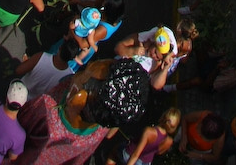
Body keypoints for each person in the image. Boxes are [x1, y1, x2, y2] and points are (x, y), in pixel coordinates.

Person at [14, 59, 149, 165]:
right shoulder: (100, 129)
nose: (89, 64)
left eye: (85, 71)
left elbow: (17, 123)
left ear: (78, 97)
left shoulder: (46, 108)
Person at [107, 107, 180, 165]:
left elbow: (136, 154)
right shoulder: (169, 141)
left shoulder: (149, 131)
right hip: (145, 163)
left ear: (164, 116)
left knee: (115, 151)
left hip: (130, 155)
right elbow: (159, 152)